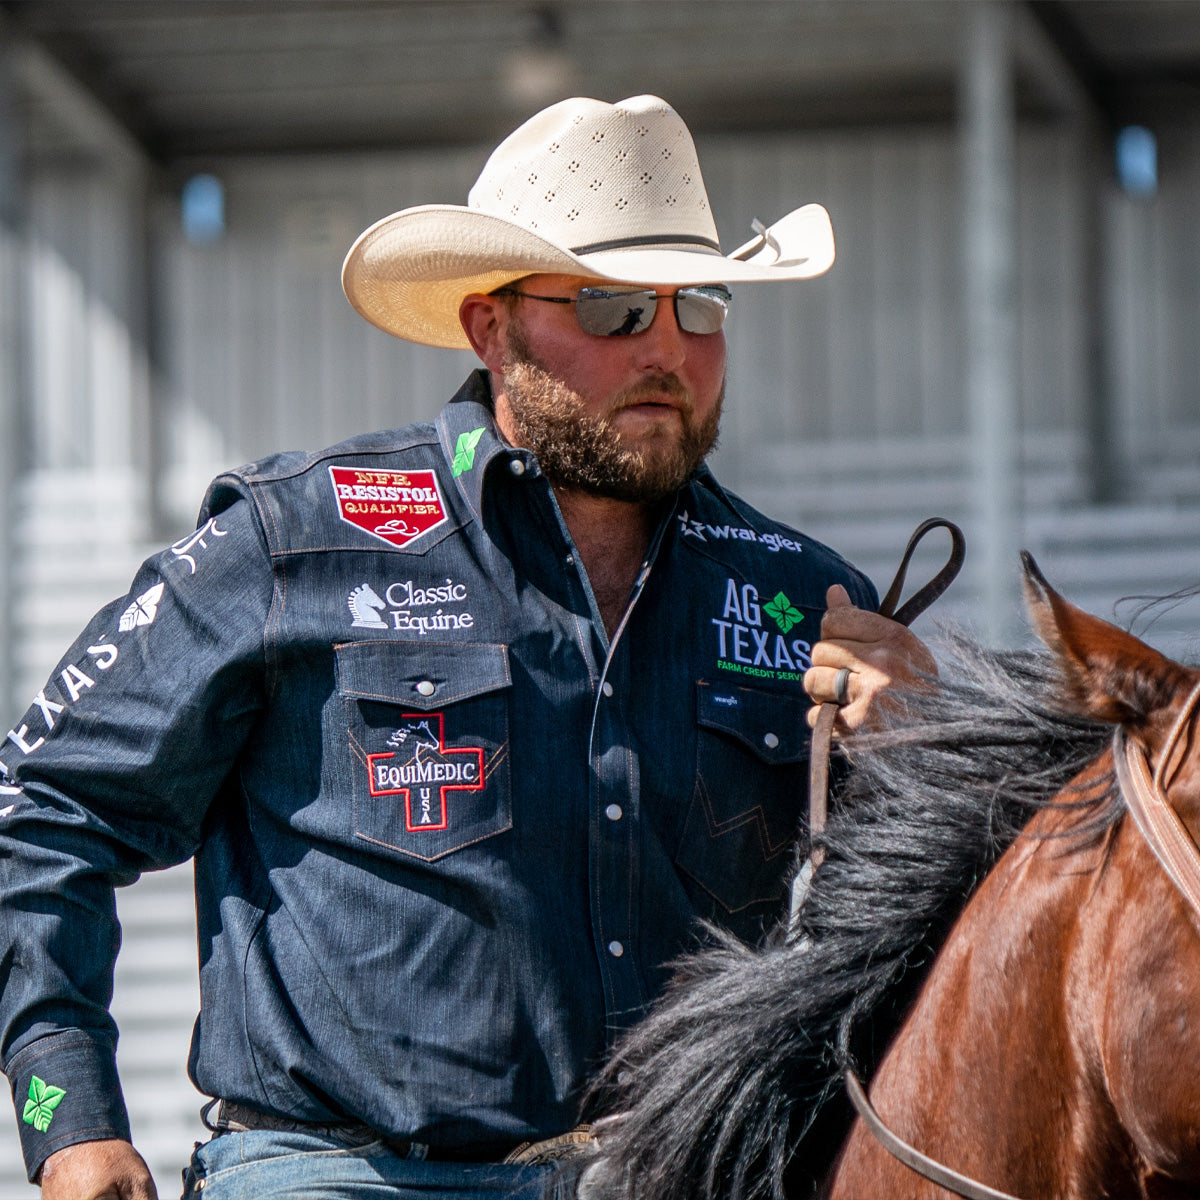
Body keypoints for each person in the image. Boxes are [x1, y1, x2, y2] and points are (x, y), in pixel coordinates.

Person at [0, 94, 931, 1200]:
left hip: (679, 1174)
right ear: (491, 329)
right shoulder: (296, 536)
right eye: (616, 306)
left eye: (703, 303)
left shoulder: (801, 595)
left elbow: (903, 947)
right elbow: (42, 811)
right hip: (344, 1175)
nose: (672, 348)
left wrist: (927, 750)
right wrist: (68, 1121)